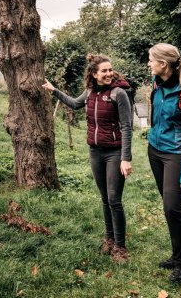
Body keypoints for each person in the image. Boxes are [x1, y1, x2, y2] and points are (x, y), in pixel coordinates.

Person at [43, 54, 133, 263]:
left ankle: (120, 246)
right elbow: (75, 104)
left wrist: (126, 158)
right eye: (104, 71)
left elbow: (127, 127)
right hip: (95, 152)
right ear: (94, 74)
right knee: (104, 198)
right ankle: (109, 238)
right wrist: (54, 90)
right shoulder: (90, 92)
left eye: (110, 70)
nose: (109, 74)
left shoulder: (119, 94)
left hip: (115, 152)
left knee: (114, 200)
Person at [146, 43, 181, 283]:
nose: (149, 63)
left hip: (176, 153)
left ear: (163, 64)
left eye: (151, 60)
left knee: (173, 208)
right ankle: (178, 254)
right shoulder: (156, 84)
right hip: (155, 151)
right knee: (169, 209)